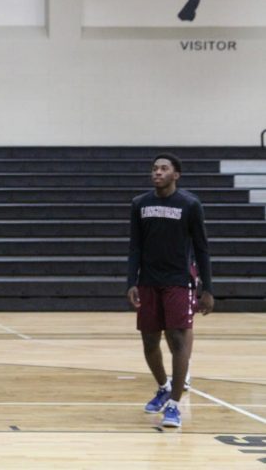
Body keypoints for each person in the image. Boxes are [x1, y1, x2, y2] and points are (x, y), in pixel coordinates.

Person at [127, 153, 214, 429]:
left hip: (179, 280)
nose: (157, 173)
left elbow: (201, 247)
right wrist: (131, 281)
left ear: (176, 174)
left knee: (177, 340)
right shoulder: (140, 204)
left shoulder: (190, 204)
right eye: (154, 168)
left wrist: (208, 289)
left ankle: (174, 405)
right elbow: (135, 247)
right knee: (150, 342)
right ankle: (164, 386)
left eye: (164, 169)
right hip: (149, 281)